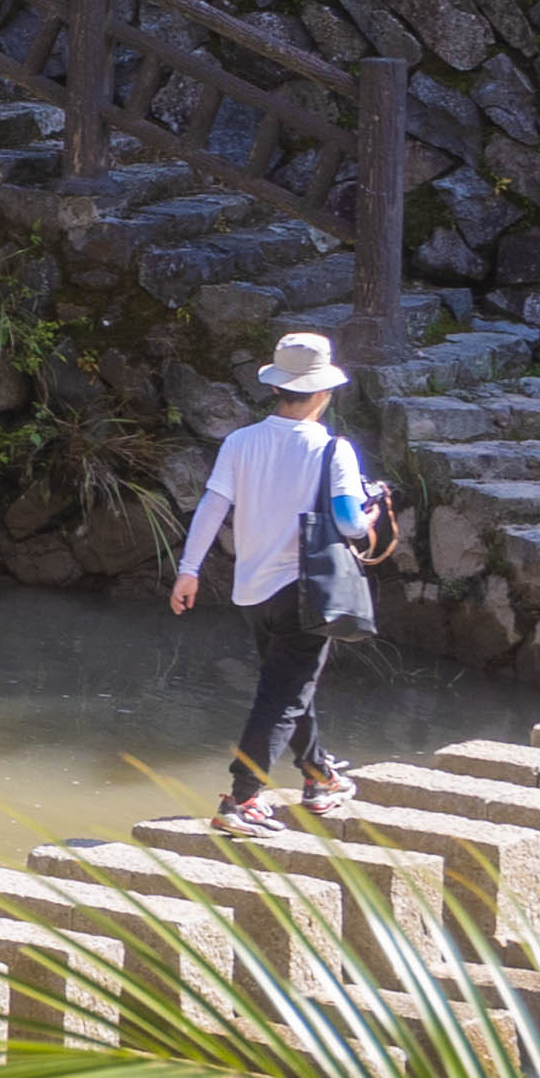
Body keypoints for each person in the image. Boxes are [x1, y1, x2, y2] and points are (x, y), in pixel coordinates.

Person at [170, 330, 384, 835]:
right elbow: (352, 524)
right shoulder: (335, 450)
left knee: (288, 686)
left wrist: (189, 569)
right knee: (284, 695)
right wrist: (372, 512)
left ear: (276, 388)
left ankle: (318, 777)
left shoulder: (240, 442)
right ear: (323, 392)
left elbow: (212, 507)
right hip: (304, 591)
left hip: (252, 591)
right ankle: (242, 799)